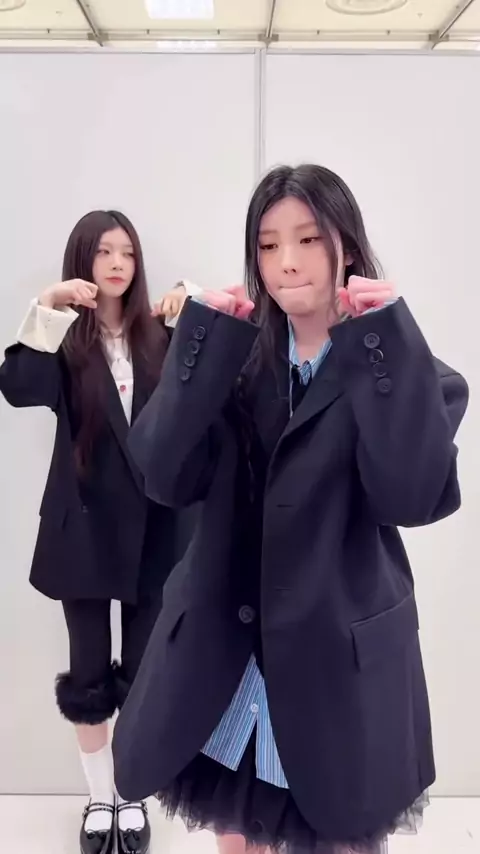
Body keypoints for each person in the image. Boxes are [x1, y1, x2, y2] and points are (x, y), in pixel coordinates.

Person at [111, 165, 469, 854]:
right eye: (269, 244)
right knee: (237, 839)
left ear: (347, 248)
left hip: (336, 672)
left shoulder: (412, 376)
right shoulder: (235, 363)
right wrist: (198, 344)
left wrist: (385, 342)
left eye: (308, 239)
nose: (287, 261)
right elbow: (162, 476)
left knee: (341, 837)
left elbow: (411, 495)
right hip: (226, 661)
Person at [0, 211, 199, 854]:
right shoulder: (67, 340)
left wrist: (194, 306)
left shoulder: (160, 335)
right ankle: (99, 800)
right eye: (104, 252)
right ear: (82, 261)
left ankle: (131, 794)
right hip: (82, 532)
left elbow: (219, 377)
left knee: (142, 673)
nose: (117, 263)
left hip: (153, 531)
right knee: (88, 674)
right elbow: (18, 388)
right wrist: (47, 305)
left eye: (127, 252)